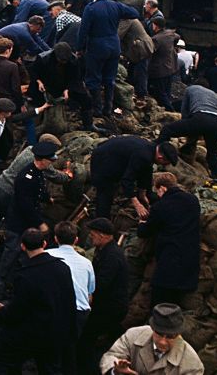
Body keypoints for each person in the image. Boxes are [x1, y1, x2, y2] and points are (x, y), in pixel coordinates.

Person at [0, 228, 76, 374]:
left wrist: (3, 310)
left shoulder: (25, 276)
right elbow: (68, 300)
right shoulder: (63, 267)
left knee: (5, 362)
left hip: (33, 334)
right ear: (44, 244)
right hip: (57, 331)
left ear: (23, 246)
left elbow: (19, 309)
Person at [0, 134, 70, 240]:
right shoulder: (39, 161)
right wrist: (67, 175)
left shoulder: (29, 149)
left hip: (0, 185)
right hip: (10, 192)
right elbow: (55, 176)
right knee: (13, 226)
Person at [0, 140, 58, 289]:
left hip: (27, 219)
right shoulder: (26, 177)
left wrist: (47, 198)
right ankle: (1, 278)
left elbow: (40, 190)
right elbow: (26, 205)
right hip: (18, 221)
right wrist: (40, 223)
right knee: (12, 250)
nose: (51, 163)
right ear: (42, 160)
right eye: (50, 160)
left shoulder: (37, 173)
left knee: (22, 252)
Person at [76, 0, 140, 117]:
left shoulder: (91, 8)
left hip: (97, 46)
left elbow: (83, 31)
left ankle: (97, 109)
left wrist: (79, 48)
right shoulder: (115, 5)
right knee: (110, 78)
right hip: (114, 45)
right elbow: (134, 13)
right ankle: (108, 108)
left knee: (93, 78)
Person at [138, 173, 201, 308]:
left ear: (162, 188)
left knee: (161, 302)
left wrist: (142, 222)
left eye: (157, 191)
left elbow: (145, 232)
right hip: (191, 259)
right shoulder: (193, 200)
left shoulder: (161, 206)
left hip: (169, 260)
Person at [78, 218, 130, 370]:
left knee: (86, 337)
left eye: (93, 235)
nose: (90, 237)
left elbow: (102, 283)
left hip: (110, 307)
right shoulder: (105, 251)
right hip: (109, 305)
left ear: (102, 235)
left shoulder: (112, 256)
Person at [101, 303, 204, 375]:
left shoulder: (192, 364)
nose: (163, 342)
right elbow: (111, 356)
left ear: (178, 334)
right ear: (152, 329)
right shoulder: (133, 335)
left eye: (170, 337)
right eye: (159, 334)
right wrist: (115, 371)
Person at [48, 221, 96, 372]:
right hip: (79, 311)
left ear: (56, 238)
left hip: (54, 309)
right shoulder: (87, 263)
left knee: (51, 352)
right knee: (70, 350)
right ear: (76, 240)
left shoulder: (47, 256)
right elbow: (90, 293)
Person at [90, 135, 177, 218]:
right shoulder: (144, 156)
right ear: (160, 158)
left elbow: (146, 172)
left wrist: (143, 194)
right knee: (105, 193)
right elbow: (127, 180)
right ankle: (101, 221)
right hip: (102, 161)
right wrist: (137, 204)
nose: (163, 166)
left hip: (113, 158)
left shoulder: (151, 149)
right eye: (165, 164)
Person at [158, 82, 217, 177]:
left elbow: (185, 111)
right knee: (212, 152)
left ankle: (160, 153)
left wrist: (185, 128)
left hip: (201, 116)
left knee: (167, 130)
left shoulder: (190, 89)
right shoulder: (213, 94)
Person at [148, 18, 180, 111]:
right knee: (166, 92)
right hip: (169, 69)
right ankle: (169, 110)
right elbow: (177, 36)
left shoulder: (156, 39)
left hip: (159, 70)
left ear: (155, 25)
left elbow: (150, 51)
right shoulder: (170, 34)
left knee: (160, 93)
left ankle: (171, 111)